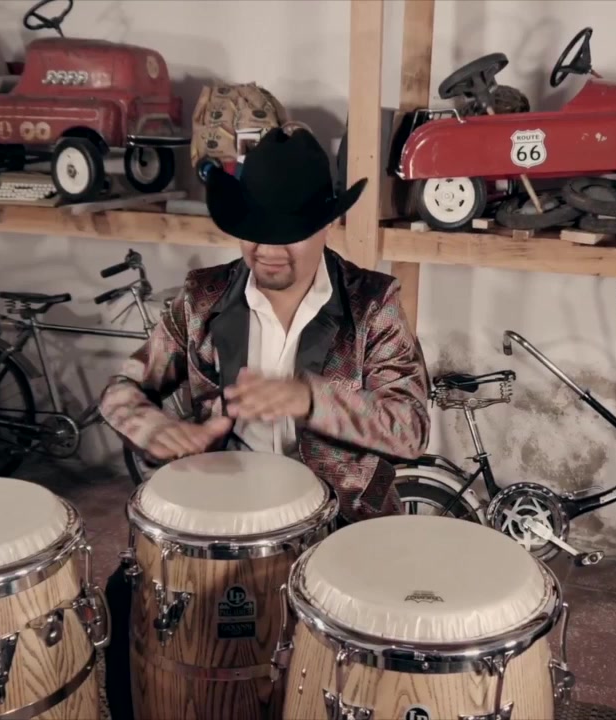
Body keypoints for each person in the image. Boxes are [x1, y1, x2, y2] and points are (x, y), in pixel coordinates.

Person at [97, 127, 430, 715]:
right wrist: (155, 430)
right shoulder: (201, 299)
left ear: (326, 224)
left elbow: (410, 428)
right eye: (255, 229)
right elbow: (123, 389)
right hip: (227, 525)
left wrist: (308, 398)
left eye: (288, 232)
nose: (268, 248)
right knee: (125, 597)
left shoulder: (371, 304)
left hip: (343, 524)